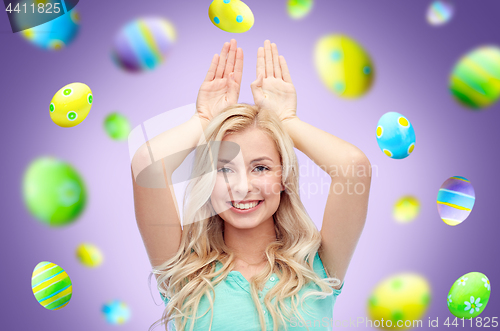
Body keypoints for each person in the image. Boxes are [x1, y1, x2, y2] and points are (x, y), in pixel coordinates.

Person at [131, 39, 371, 331]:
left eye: (260, 167)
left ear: (284, 177)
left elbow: (354, 167)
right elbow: (147, 165)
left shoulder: (318, 266)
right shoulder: (185, 272)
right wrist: (204, 119)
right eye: (224, 169)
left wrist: (286, 120)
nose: (242, 187)